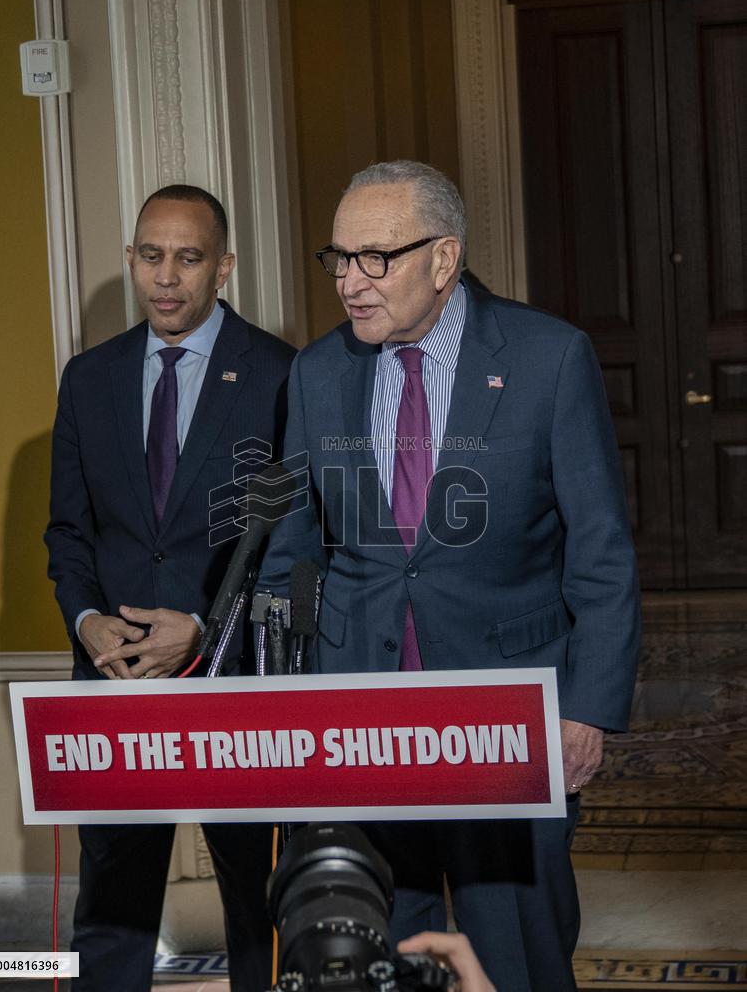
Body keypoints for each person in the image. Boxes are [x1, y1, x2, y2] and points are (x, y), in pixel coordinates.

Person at [257, 160, 640, 990]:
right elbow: (294, 543)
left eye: (375, 258)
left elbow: (601, 550)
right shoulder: (318, 373)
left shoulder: (549, 357)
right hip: (363, 716)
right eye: (339, 259)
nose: (351, 283)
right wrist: (295, 696)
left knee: (520, 955)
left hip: (508, 716)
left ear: (444, 258)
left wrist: (588, 710)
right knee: (382, 954)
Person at [44, 184, 295, 992]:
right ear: (131, 260)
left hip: (236, 682)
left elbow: (287, 543)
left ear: (222, 267)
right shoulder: (88, 379)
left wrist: (205, 624)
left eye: (188, 258)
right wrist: (86, 621)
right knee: (112, 908)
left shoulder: (281, 376)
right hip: (115, 687)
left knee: (261, 902)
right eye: (151, 256)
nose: (166, 277)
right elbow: (68, 533)